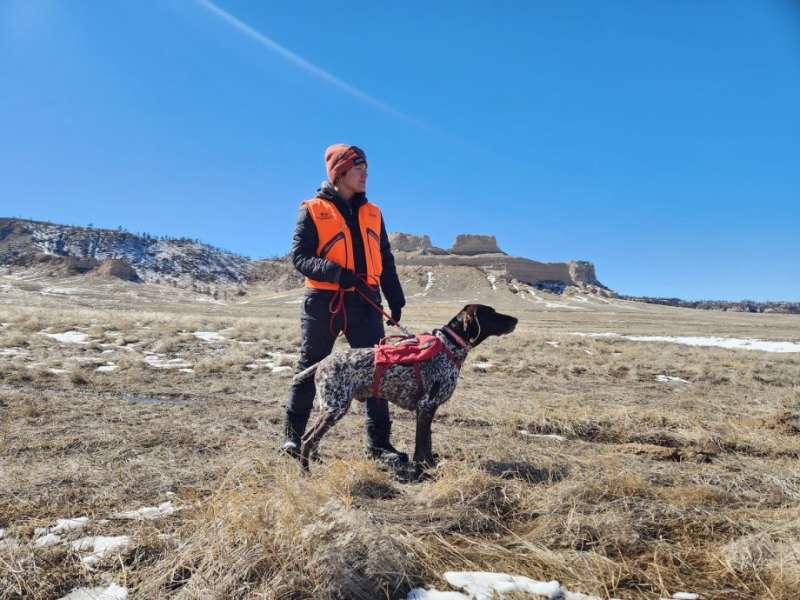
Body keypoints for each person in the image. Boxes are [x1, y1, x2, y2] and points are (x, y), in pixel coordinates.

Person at [282, 144, 407, 463]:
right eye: (358, 168)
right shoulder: (311, 209)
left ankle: (379, 447)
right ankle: (293, 442)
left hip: (366, 301)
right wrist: (335, 273)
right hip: (324, 301)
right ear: (339, 172)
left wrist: (395, 296)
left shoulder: (374, 213)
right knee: (311, 366)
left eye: (366, 168)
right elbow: (300, 257)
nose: (365, 174)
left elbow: (386, 259)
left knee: (378, 371)